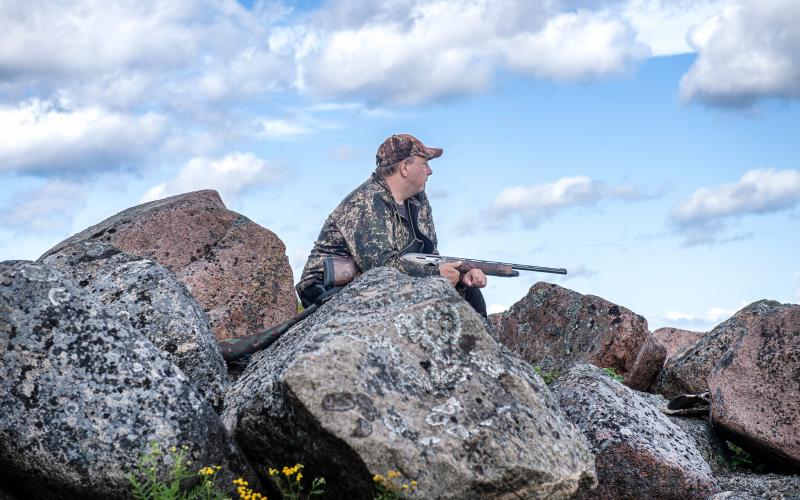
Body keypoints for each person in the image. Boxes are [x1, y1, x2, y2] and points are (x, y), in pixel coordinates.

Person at [295, 133, 488, 315]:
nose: (430, 171)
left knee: (468, 291)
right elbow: (380, 268)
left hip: (383, 280)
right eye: (425, 163)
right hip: (328, 287)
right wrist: (436, 273)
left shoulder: (418, 201)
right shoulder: (366, 201)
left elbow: (429, 257)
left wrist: (462, 272)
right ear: (405, 167)